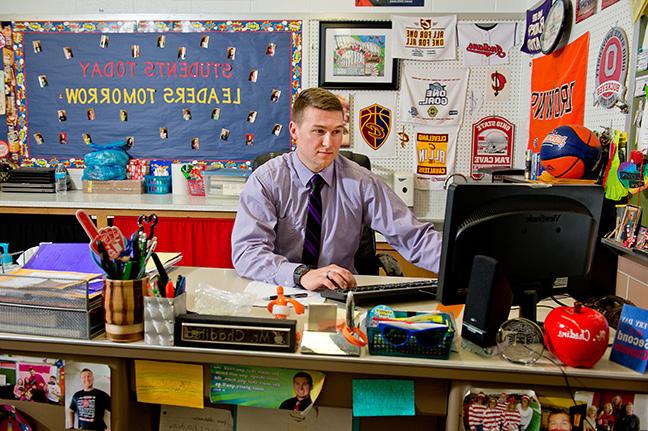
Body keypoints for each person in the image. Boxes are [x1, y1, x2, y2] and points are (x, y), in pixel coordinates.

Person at [231, 87, 442, 290]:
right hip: (279, 290)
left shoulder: (362, 182)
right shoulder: (266, 181)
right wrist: (301, 274)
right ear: (294, 130)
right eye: (319, 131)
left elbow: (415, 237)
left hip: (340, 291)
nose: (328, 143)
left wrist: (466, 264)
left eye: (337, 132)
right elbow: (247, 253)